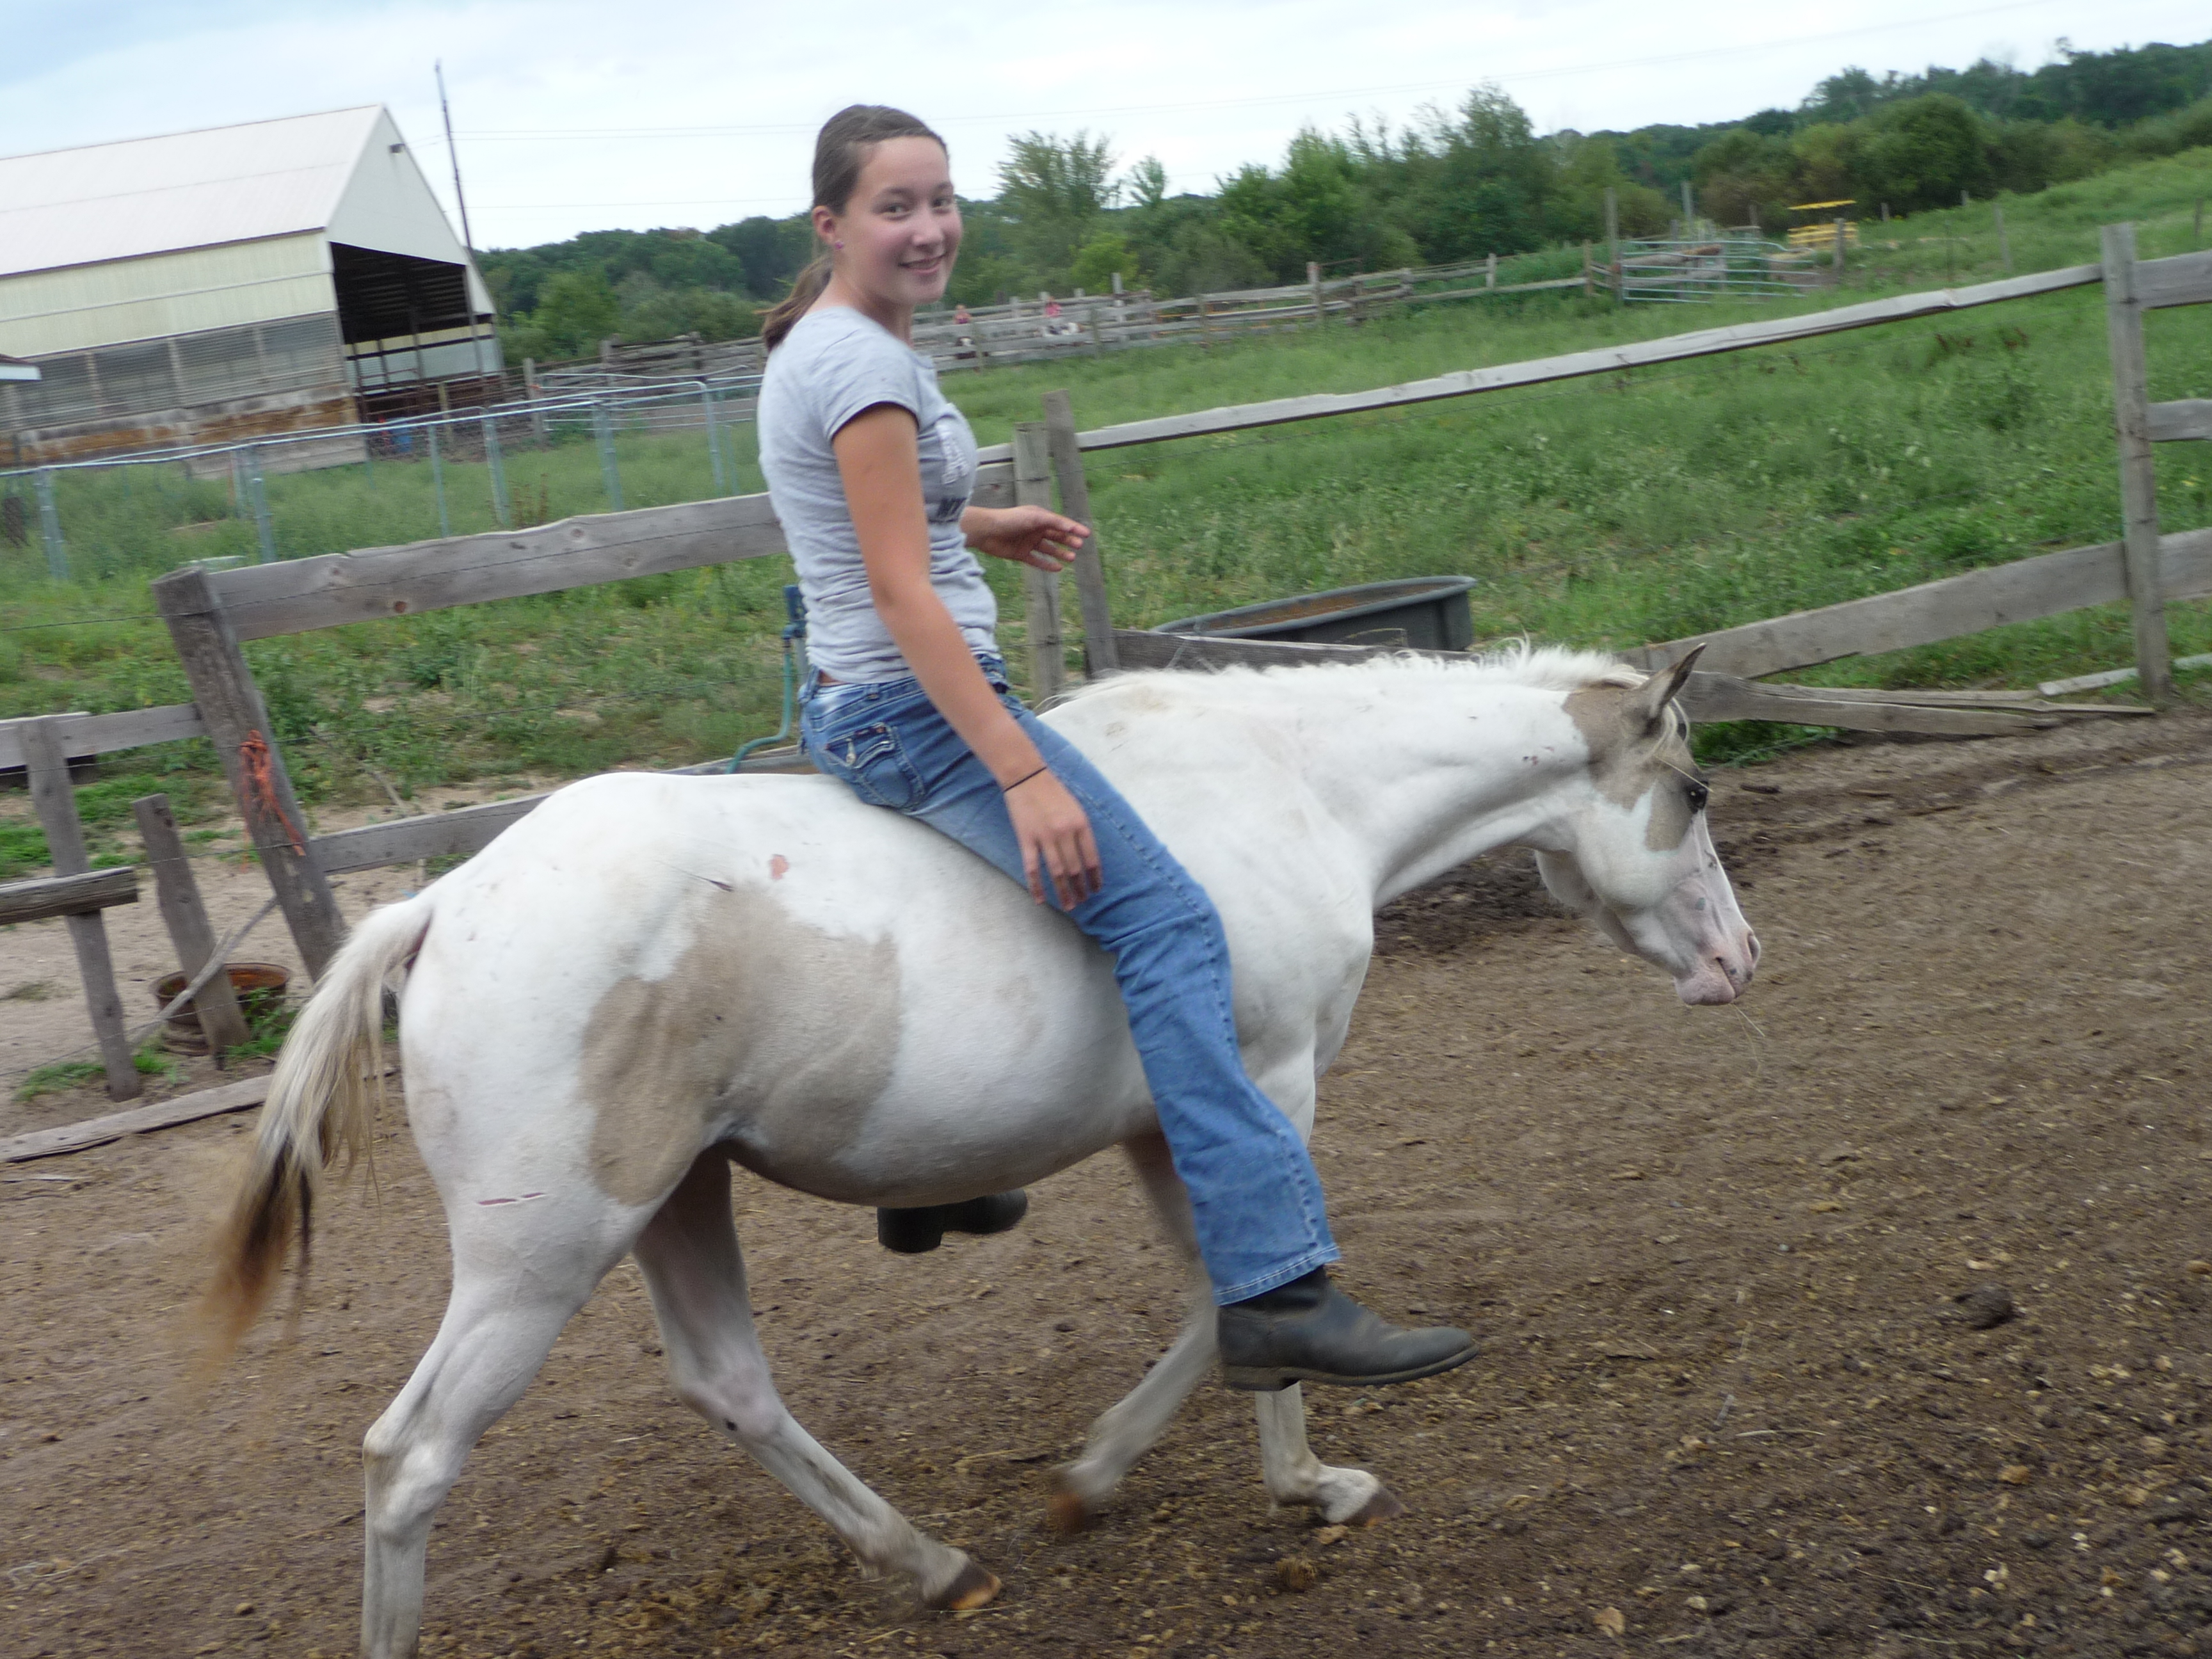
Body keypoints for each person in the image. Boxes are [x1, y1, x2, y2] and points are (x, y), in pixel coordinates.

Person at [755, 104, 1477, 1393]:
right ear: (832, 224)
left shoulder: (839, 339)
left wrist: (978, 521)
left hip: (860, 693)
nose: (928, 229)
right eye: (894, 207)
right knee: (1173, 927)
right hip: (912, 703)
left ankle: (934, 1181)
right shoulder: (861, 364)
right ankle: (1275, 1286)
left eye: (940, 200)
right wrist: (1024, 771)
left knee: (1008, 912)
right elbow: (897, 591)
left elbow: (870, 522)